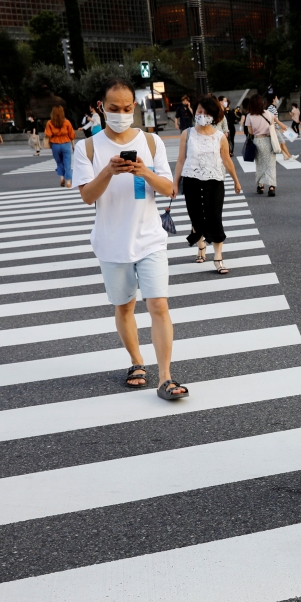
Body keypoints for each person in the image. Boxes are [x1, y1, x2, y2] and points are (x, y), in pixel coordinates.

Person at [73, 77, 186, 400]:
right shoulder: (88, 147)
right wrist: (108, 171)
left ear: (133, 107)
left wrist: (144, 172)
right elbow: (86, 196)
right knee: (124, 308)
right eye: (113, 108)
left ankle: (165, 376)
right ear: (101, 108)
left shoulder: (151, 143)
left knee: (159, 305)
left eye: (126, 108)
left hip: (150, 237)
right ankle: (137, 362)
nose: (121, 114)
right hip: (111, 241)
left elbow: (169, 189)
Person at [172, 96, 243, 275]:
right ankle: (200, 243)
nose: (202, 115)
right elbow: (181, 160)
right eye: (199, 111)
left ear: (213, 115)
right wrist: (175, 183)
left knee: (214, 218)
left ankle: (218, 258)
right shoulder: (187, 134)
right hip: (191, 181)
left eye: (206, 112)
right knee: (196, 217)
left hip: (215, 181)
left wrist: (236, 180)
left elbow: (227, 160)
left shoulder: (220, 137)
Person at [241, 94, 278, 196]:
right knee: (270, 165)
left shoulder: (249, 116)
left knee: (259, 164)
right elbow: (272, 127)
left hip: (258, 141)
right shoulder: (269, 114)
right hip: (269, 141)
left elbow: (250, 132)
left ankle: (261, 186)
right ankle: (271, 187)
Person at [45, 105, 75, 188]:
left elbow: (48, 134)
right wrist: (73, 145)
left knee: (59, 162)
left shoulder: (50, 123)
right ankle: (68, 182)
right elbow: (71, 135)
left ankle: (62, 178)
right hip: (65, 144)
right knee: (67, 163)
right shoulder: (67, 122)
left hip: (55, 145)